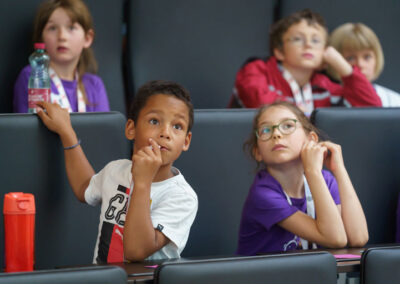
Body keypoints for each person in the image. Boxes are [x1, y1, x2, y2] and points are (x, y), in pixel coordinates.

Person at [35, 80, 198, 263]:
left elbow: (136, 251)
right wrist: (66, 132)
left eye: (177, 126)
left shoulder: (181, 196)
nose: (165, 133)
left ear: (186, 141)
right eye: (154, 121)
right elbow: (84, 188)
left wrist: (142, 181)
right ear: (131, 129)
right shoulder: (116, 169)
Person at [237, 101, 368, 255]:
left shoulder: (325, 180)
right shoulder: (263, 195)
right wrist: (312, 170)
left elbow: (359, 237)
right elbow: (336, 239)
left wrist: (339, 169)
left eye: (287, 126)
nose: (276, 134)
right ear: (257, 152)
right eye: (266, 130)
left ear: (311, 139)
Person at [230, 9, 382, 114]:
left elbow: (373, 110)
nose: (308, 45)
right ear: (279, 51)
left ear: (324, 51)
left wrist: (343, 66)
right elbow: (263, 103)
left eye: (316, 41)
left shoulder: (324, 86)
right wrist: (307, 116)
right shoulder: (256, 70)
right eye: (297, 39)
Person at [14, 0, 110, 113]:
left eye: (71, 28)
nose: (62, 36)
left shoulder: (94, 84)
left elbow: (103, 130)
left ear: (87, 38)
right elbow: (28, 129)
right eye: (53, 28)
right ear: (41, 39)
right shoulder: (33, 76)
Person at [329, 22, 400, 107]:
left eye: (367, 57)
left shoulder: (395, 101)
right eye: (350, 58)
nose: (360, 64)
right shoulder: (325, 97)